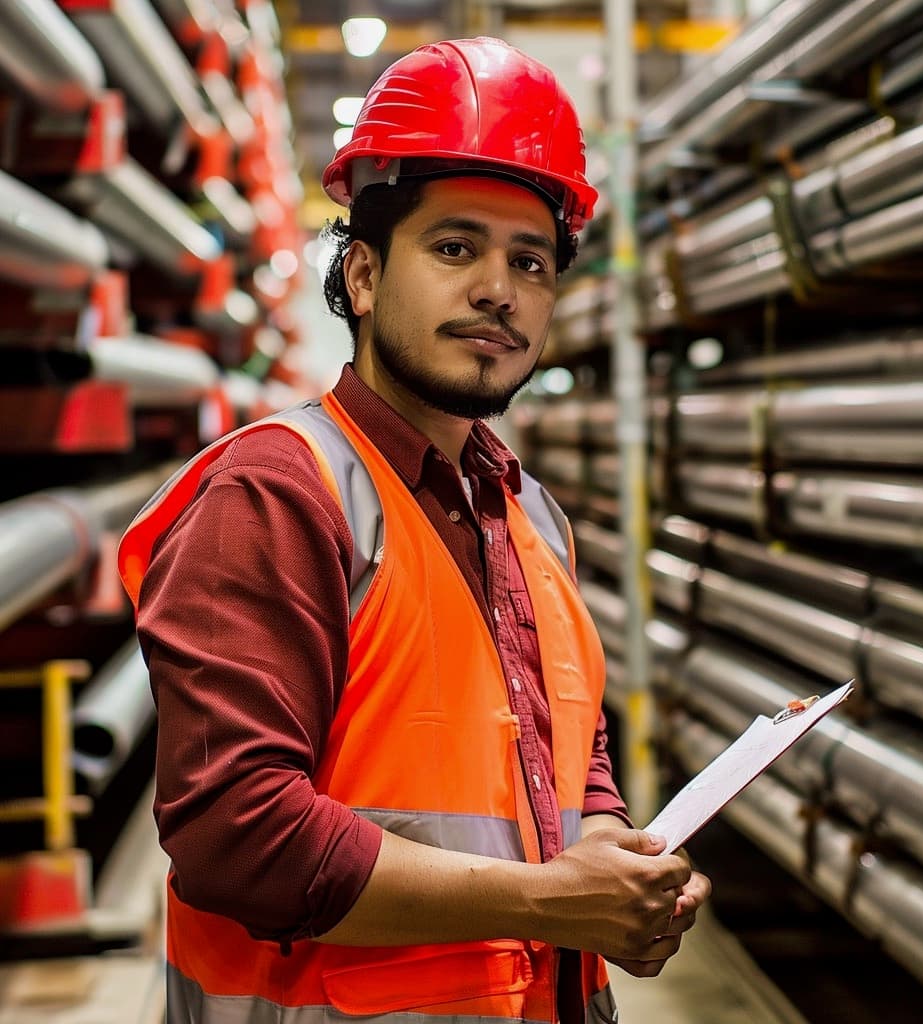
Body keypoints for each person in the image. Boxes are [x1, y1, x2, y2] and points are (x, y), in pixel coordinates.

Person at [118, 36, 710, 1024]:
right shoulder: (275, 493)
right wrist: (553, 902)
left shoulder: (526, 511)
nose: (497, 288)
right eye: (453, 247)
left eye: (530, 261)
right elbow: (238, 833)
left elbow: (571, 740)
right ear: (357, 274)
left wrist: (610, 844)